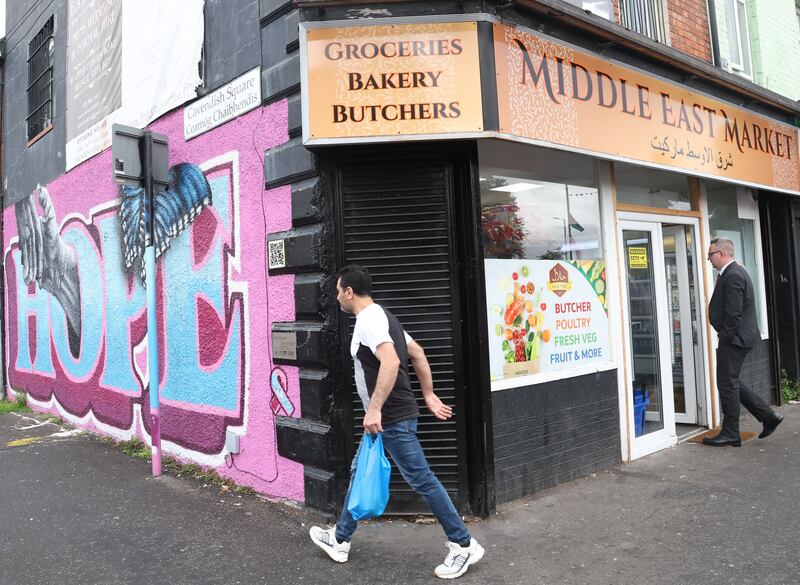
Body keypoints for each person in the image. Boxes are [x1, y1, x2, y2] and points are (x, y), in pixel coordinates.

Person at [309, 264, 484, 579]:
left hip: (389, 418)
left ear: (349, 291)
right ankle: (340, 538)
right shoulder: (383, 317)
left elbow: (391, 361)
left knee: (422, 479)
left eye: (338, 292)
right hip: (390, 418)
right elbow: (416, 353)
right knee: (358, 470)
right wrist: (428, 394)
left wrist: (374, 408)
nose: (337, 298)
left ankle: (464, 544)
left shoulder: (367, 320)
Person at [703, 237, 783, 446]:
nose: (708, 259)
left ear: (722, 253)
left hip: (736, 339)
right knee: (731, 381)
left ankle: (731, 432)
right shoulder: (730, 273)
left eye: (710, 254)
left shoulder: (733, 275)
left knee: (727, 384)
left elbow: (733, 312)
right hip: (737, 337)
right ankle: (768, 417)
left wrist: (725, 337)